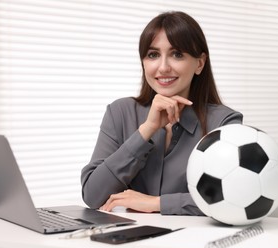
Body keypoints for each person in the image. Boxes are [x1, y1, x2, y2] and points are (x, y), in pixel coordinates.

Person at [81, 11, 243, 216]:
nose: (163, 67)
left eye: (177, 54)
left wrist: (157, 203)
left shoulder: (224, 122)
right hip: (129, 243)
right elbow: (92, 195)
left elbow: (235, 196)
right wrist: (146, 130)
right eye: (153, 55)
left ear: (199, 63)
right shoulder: (120, 112)